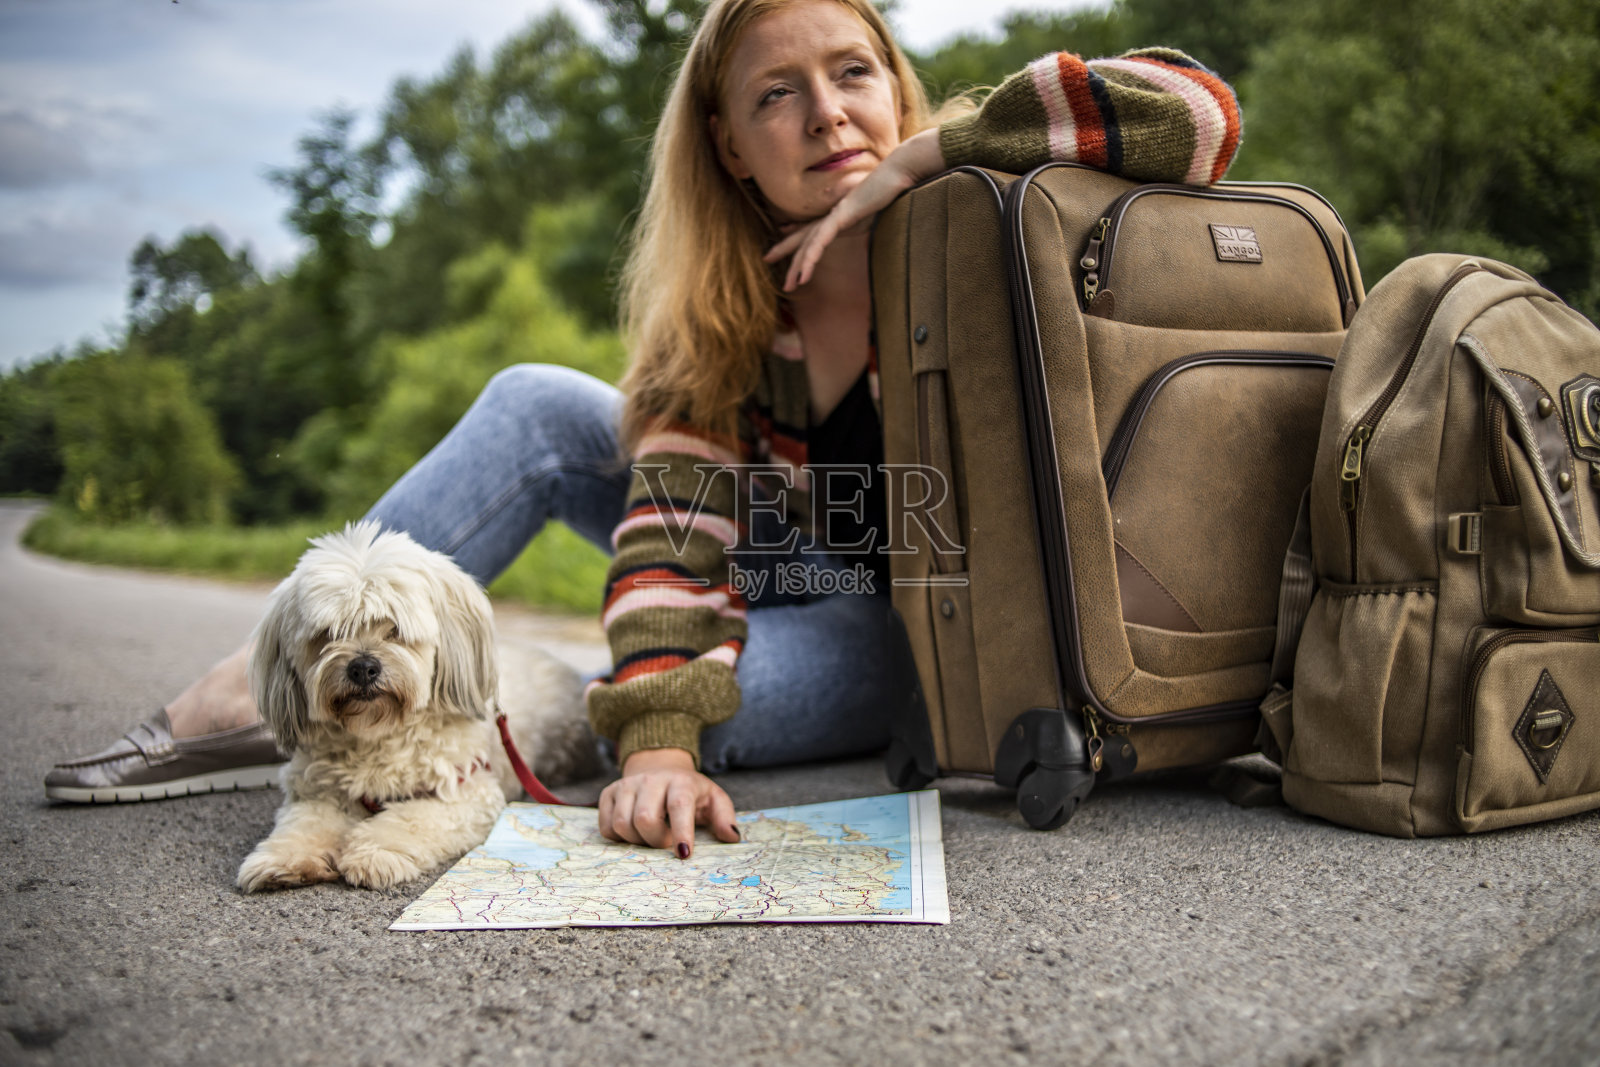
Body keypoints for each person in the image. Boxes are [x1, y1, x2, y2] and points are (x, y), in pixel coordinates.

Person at [46, 0, 1241, 859]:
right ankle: (270, 676)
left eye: (853, 73)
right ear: (729, 143)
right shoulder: (722, 317)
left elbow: (1195, 111)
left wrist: (922, 160)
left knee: (623, 699)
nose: (827, 115)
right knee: (537, 403)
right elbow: (674, 540)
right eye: (777, 94)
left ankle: (464, 712)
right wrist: (662, 739)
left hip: (919, 623)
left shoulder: (975, 220)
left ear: (895, 81)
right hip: (754, 558)